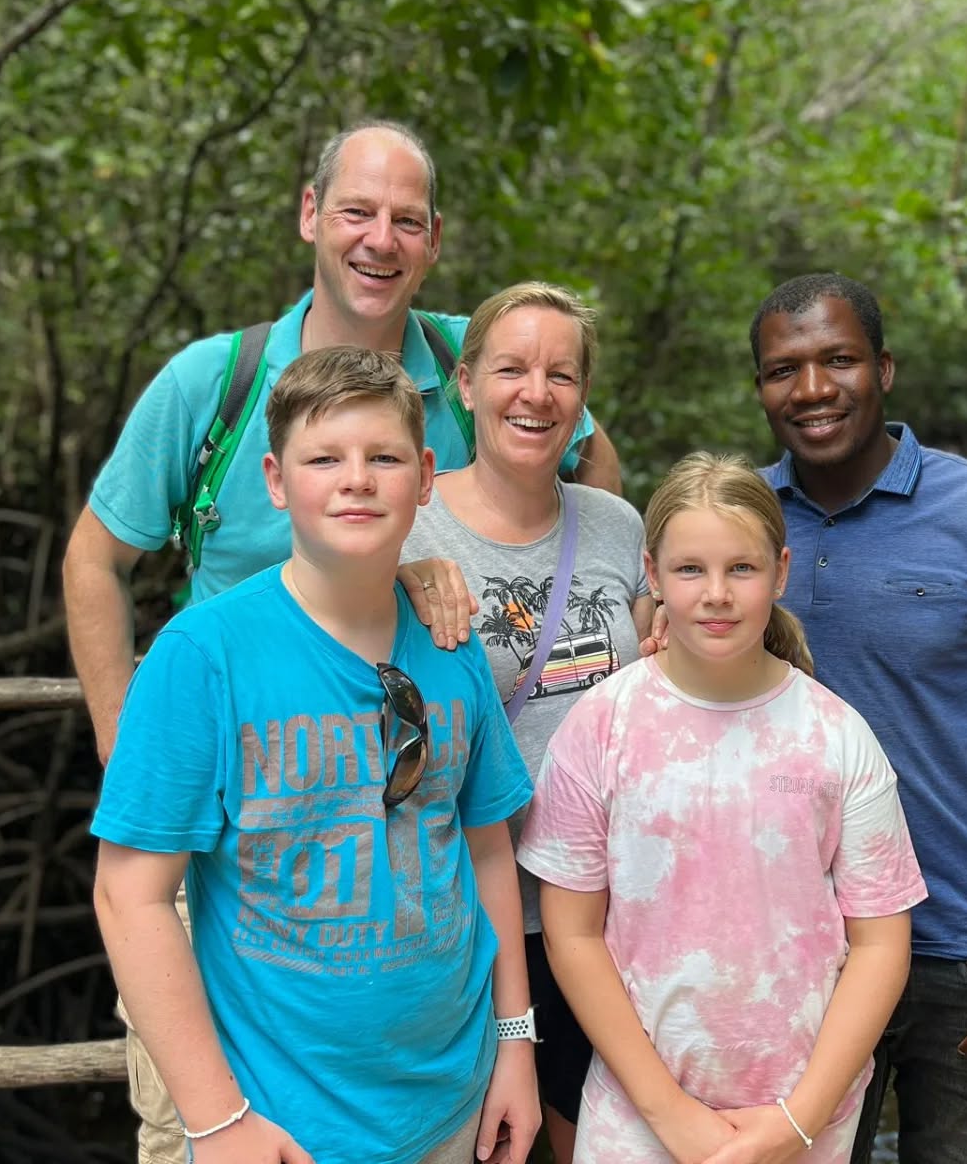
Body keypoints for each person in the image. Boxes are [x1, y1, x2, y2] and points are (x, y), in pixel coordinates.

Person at [92, 346, 541, 1164]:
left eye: (385, 457)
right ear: (274, 481)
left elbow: (485, 848)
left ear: (427, 475)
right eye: (324, 457)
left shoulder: (450, 642)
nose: (357, 479)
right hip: (282, 1124)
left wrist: (515, 1043)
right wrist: (218, 1119)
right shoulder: (202, 655)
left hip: (457, 1097)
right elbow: (130, 897)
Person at [64, 118, 623, 768]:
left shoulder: (478, 366)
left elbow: (589, 450)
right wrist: (125, 746)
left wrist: (565, 604)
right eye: (357, 212)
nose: (380, 241)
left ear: (434, 240)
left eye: (407, 222)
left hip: (428, 767)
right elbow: (94, 561)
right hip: (236, 758)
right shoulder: (211, 382)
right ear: (311, 214)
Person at [749, 272, 967, 1164]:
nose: (814, 389)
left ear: (885, 368)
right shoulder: (737, 523)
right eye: (785, 369)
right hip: (802, 953)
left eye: (838, 360)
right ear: (760, 389)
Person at [518, 453, 926, 1164]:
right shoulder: (602, 725)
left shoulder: (836, 736)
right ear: (651, 572)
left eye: (742, 569)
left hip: (807, 1121)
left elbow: (881, 944)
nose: (716, 594)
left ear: (782, 571)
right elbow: (572, 934)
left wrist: (798, 1120)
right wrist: (670, 1115)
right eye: (689, 570)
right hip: (639, 1119)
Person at [400, 282, 653, 1164]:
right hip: (473, 915)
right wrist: (401, 573)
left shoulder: (618, 525)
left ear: (582, 401)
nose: (535, 394)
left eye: (561, 374)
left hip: (611, 914)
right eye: (510, 369)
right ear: (464, 386)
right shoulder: (403, 522)